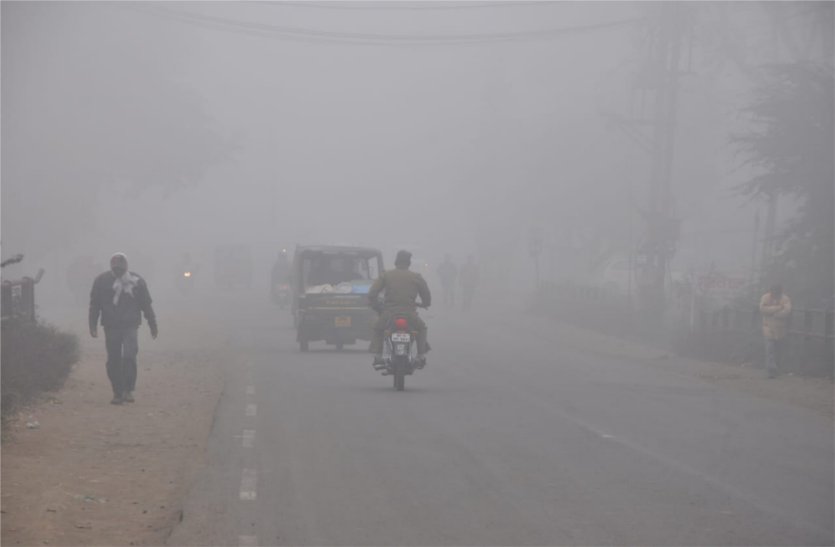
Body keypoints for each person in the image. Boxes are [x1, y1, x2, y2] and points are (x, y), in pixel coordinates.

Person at [89, 253, 158, 404]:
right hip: (111, 326)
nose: (118, 271)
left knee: (129, 356)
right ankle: (117, 392)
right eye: (116, 268)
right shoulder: (101, 281)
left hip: (130, 325)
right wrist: (92, 324)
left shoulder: (136, 281)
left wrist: (152, 324)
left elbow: (146, 304)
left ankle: (128, 389)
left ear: (126, 267)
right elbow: (95, 305)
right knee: (113, 359)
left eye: (121, 268)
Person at [368, 250, 431, 366]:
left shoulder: (386, 275)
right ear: (409, 263)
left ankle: (377, 356)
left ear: (396, 262)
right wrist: (425, 304)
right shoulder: (416, 277)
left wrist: (376, 306)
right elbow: (426, 296)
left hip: (389, 314)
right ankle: (421, 356)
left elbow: (372, 293)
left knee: (377, 328)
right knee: (422, 328)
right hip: (410, 314)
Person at [759, 284, 792, 379]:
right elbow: (763, 309)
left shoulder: (785, 299)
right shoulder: (765, 297)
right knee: (770, 349)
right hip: (768, 327)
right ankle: (771, 369)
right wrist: (778, 308)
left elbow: (787, 311)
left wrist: (775, 314)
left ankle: (777, 368)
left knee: (778, 350)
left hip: (781, 328)